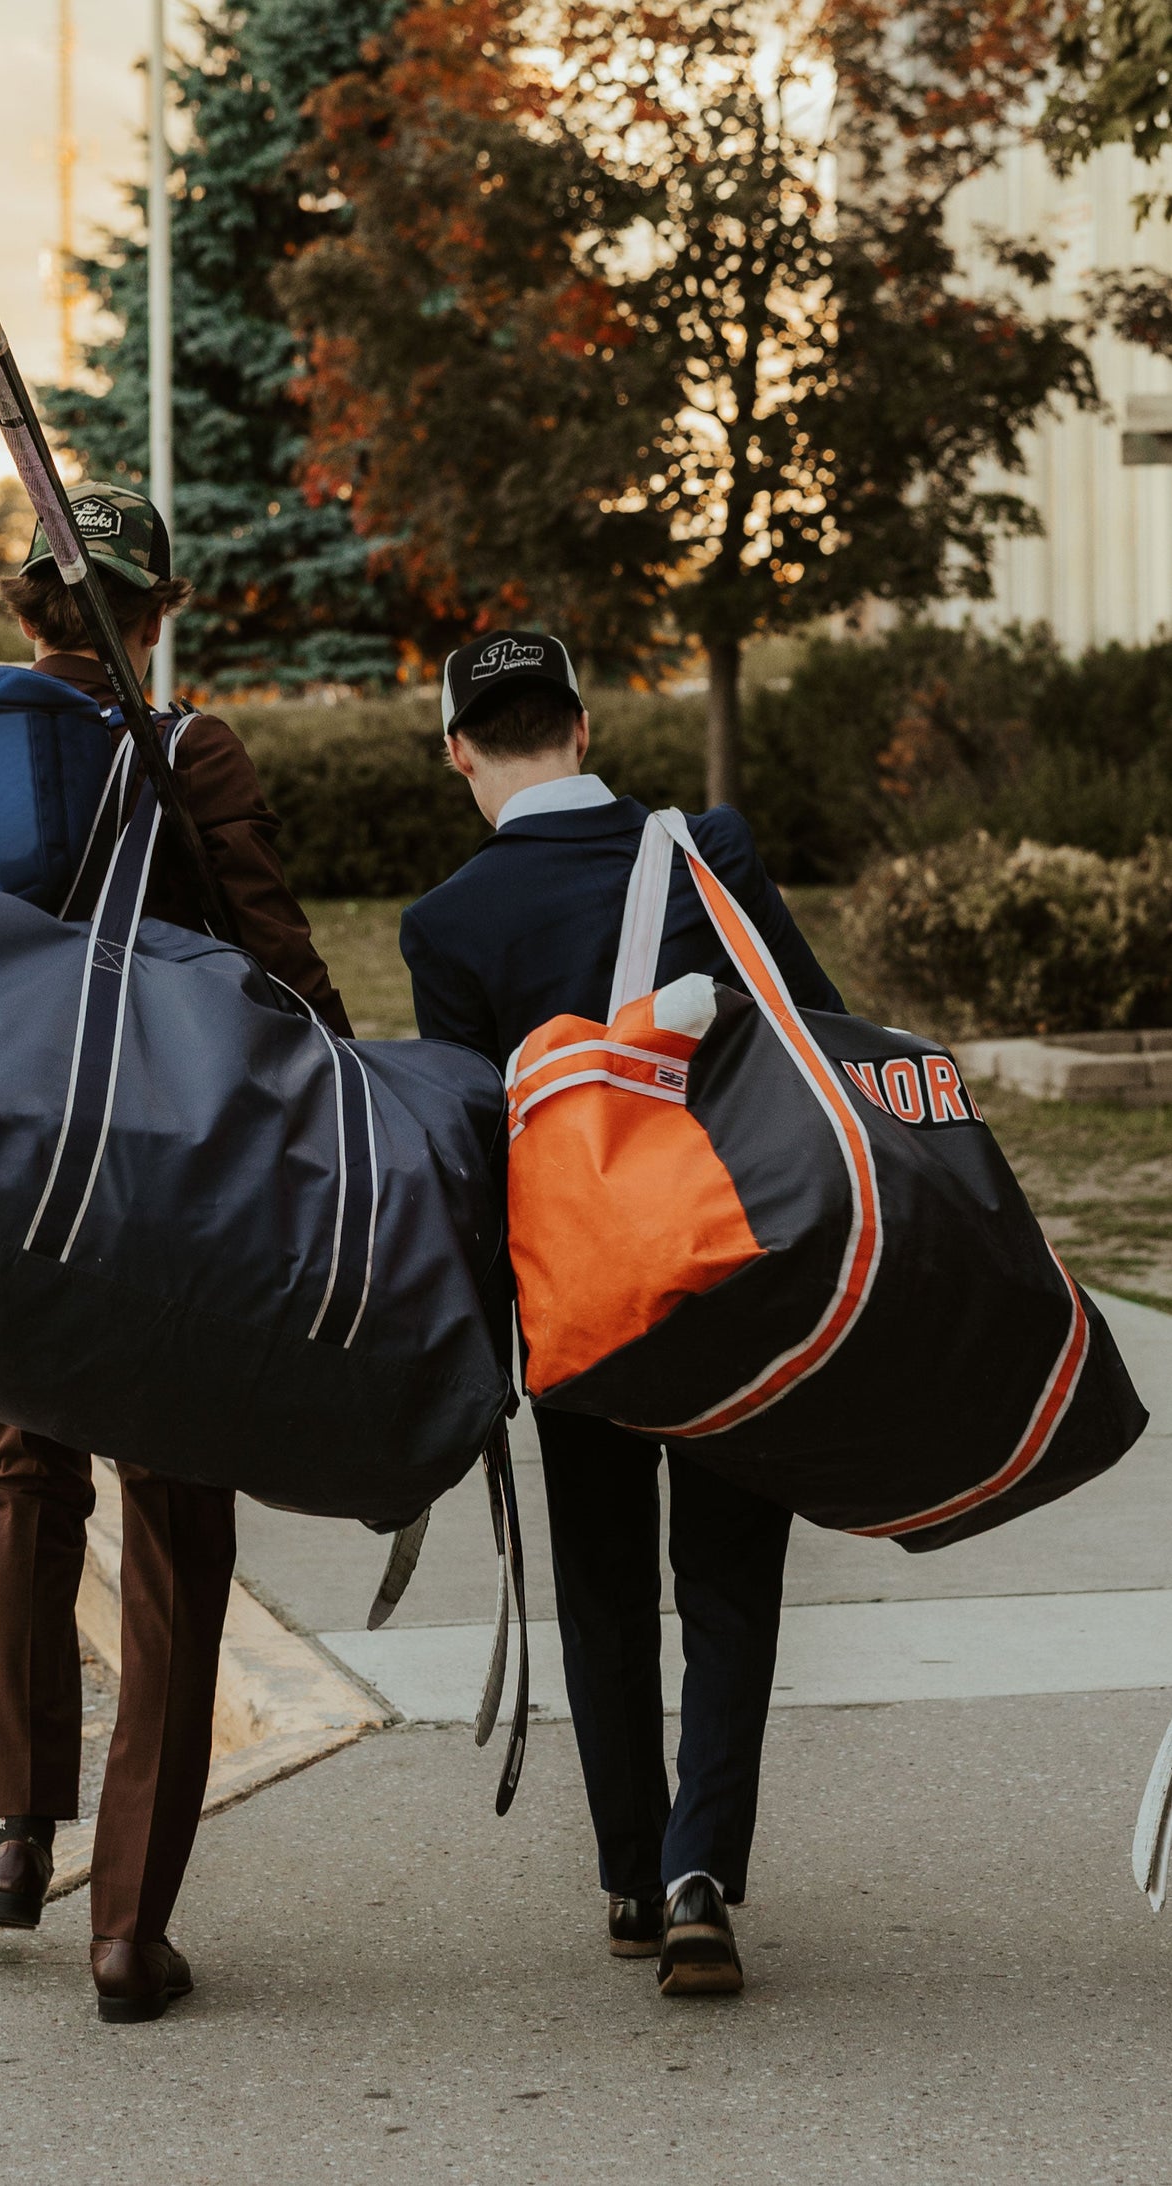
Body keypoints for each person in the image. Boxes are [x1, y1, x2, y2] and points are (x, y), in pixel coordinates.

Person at [0, 482, 351, 2024]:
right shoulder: (191, 749)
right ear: (158, 609)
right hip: (159, 1191)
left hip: (4, 1173)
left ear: (28, 605)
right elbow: (275, 955)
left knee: (29, 1477)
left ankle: (13, 1833)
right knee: (177, 1525)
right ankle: (126, 1929)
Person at [399, 630, 844, 1998]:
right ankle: (704, 1871)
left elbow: (469, 1153)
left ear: (459, 751)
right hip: (731, 1284)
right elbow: (820, 1037)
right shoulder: (709, 855)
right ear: (582, 730)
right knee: (728, 1582)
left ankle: (632, 1875)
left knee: (602, 1589)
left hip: (577, 1303)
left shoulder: (448, 923)